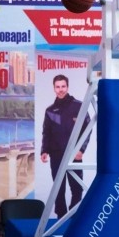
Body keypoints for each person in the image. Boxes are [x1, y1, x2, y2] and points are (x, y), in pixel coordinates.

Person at [40, 74, 91, 218]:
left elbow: (87, 128)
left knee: (77, 188)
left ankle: (74, 217)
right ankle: (61, 218)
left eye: (63, 86)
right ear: (54, 88)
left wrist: (81, 149)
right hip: (56, 155)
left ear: (67, 87)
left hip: (74, 154)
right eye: (58, 87)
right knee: (58, 189)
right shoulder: (50, 111)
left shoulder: (79, 106)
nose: (60, 90)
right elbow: (46, 132)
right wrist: (44, 150)